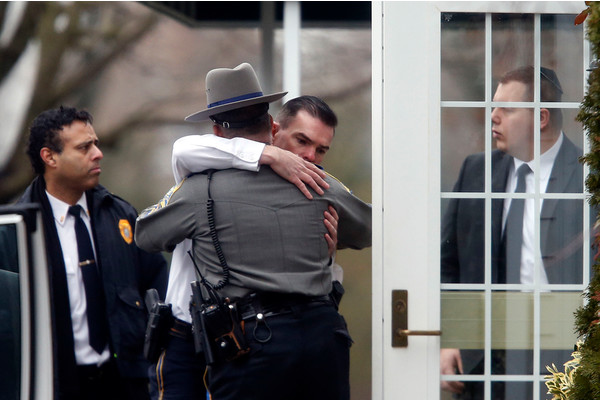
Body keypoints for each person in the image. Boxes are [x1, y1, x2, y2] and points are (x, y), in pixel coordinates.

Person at [135, 62, 372, 400]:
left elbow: (146, 235)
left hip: (250, 340)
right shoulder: (322, 186)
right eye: (303, 142)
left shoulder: (200, 189)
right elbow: (371, 229)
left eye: (319, 149)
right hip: (323, 337)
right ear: (272, 126)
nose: (310, 157)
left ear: (217, 133)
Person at [440, 66, 587, 399]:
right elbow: (448, 262)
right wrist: (450, 339)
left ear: (541, 118)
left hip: (566, 355)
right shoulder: (476, 171)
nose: (493, 117)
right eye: (494, 107)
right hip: (483, 359)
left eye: (506, 109)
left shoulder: (587, 176)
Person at [17, 106, 168, 400]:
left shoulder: (120, 215)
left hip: (124, 382)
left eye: (96, 143)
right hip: (55, 386)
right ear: (50, 157)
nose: (98, 153)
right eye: (84, 147)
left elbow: (157, 282)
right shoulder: (21, 230)